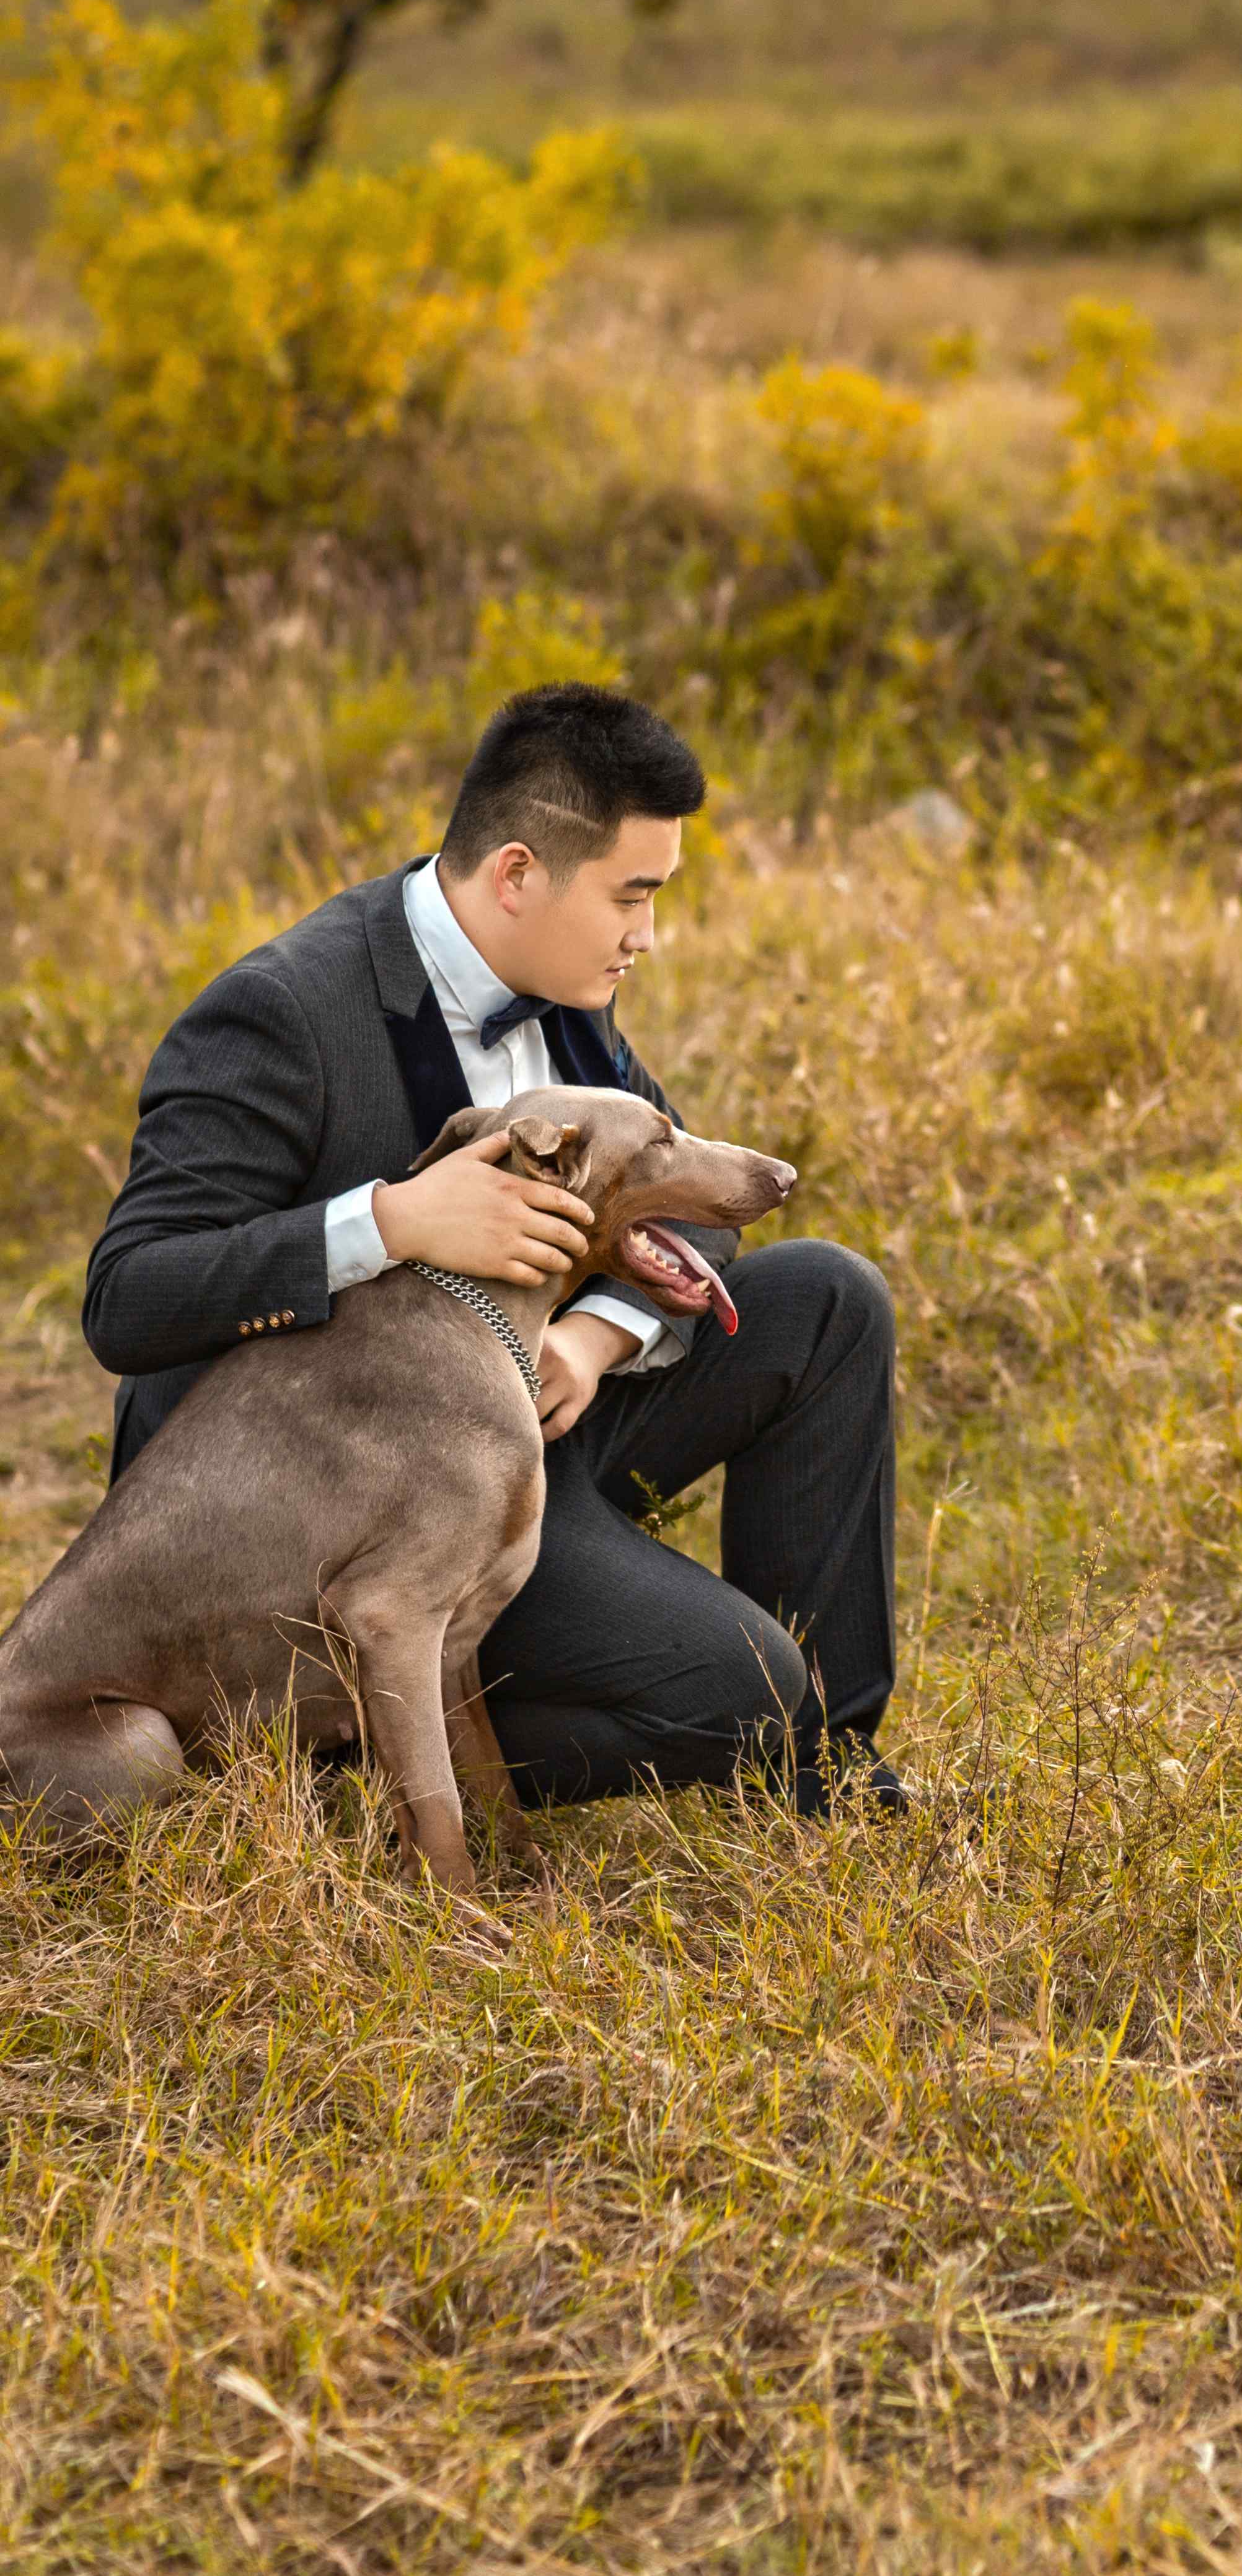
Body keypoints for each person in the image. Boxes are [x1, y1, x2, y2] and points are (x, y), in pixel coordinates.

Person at [84, 681, 901, 1816]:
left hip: (520, 1425)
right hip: (351, 1493)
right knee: (741, 1689)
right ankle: (344, 1762)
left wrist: (589, 1341)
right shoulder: (282, 1012)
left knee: (830, 1300)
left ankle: (830, 1773)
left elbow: (656, 1196)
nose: (646, 934)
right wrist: (390, 1221)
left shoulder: (566, 988)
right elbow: (128, 1299)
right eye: (634, 895)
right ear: (519, 874)